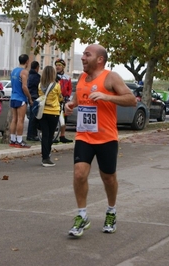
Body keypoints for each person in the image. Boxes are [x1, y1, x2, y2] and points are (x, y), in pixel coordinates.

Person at [64, 44, 137, 237]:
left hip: (106, 137)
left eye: (87, 54)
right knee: (79, 174)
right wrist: (70, 105)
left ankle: (111, 211)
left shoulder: (111, 77)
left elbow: (131, 99)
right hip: (84, 135)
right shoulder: (81, 78)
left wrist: (107, 96)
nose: (83, 57)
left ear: (100, 59)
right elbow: (78, 98)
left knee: (108, 177)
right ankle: (82, 216)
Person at [38, 66, 62, 167]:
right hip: (53, 112)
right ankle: (47, 156)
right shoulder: (56, 85)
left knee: (45, 135)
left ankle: (44, 156)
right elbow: (59, 97)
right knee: (51, 135)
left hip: (43, 112)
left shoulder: (40, 85)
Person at [9, 54, 32, 148]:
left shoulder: (13, 71)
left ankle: (12, 139)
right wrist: (29, 97)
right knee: (20, 119)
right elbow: (24, 86)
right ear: (27, 62)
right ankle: (19, 141)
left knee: (14, 119)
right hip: (21, 98)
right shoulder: (24, 72)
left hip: (13, 97)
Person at [55, 58, 73, 143]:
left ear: (63, 67)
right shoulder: (53, 76)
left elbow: (70, 89)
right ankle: (52, 136)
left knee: (64, 119)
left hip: (64, 100)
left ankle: (62, 136)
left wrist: (68, 97)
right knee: (54, 118)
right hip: (55, 100)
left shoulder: (67, 77)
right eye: (56, 65)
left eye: (59, 65)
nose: (57, 67)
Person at [26, 61, 41, 141]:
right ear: (37, 68)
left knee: (32, 117)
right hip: (35, 97)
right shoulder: (37, 77)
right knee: (34, 117)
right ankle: (31, 135)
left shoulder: (28, 75)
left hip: (29, 97)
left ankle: (31, 134)